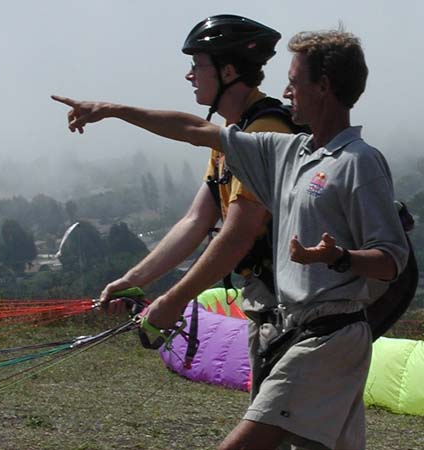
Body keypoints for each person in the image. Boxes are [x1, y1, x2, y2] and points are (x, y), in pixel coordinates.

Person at [53, 28, 410, 450]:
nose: (286, 91)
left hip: (327, 338)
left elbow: (391, 259)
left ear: (325, 87)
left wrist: (340, 257)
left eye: (294, 82)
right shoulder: (289, 152)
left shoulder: (359, 162)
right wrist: (112, 110)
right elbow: (193, 131)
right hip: (292, 331)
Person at [97, 14, 296, 400]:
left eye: (197, 65)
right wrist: (133, 279)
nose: (189, 76)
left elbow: (239, 233)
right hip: (270, 298)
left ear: (229, 70)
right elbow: (196, 220)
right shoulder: (230, 137)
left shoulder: (264, 132)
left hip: (289, 304)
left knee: (277, 425)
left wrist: (173, 301)